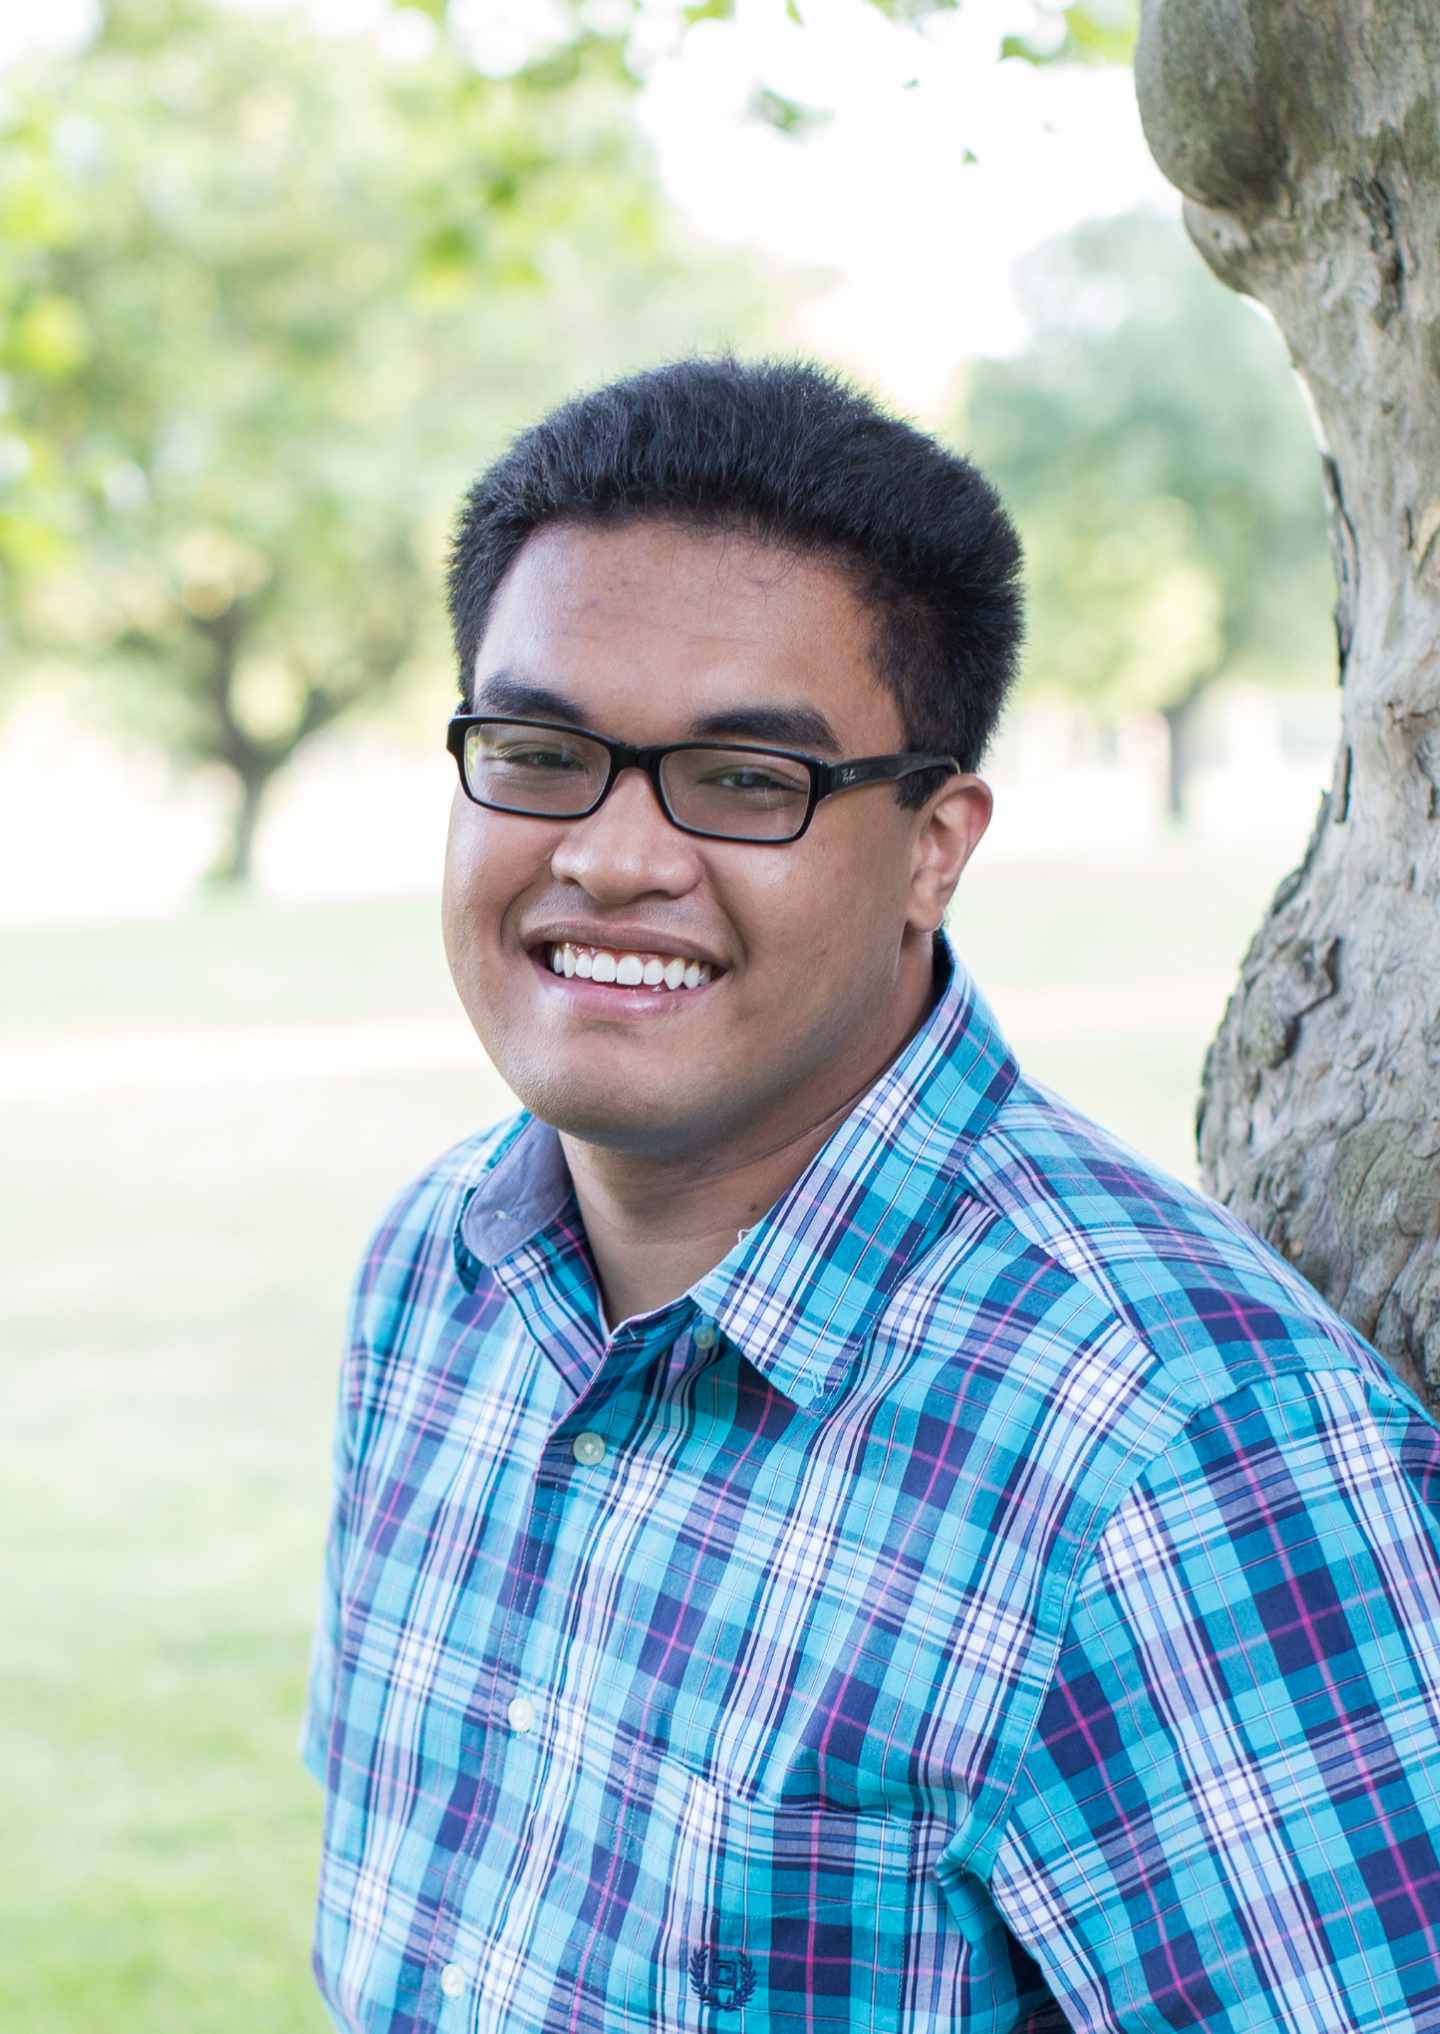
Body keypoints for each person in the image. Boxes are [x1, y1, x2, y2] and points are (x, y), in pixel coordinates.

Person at [300, 355, 1440, 2034]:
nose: (612, 855)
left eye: (748, 780)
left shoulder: (1182, 1448)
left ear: (934, 844)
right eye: (541, 749)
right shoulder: (435, 1279)